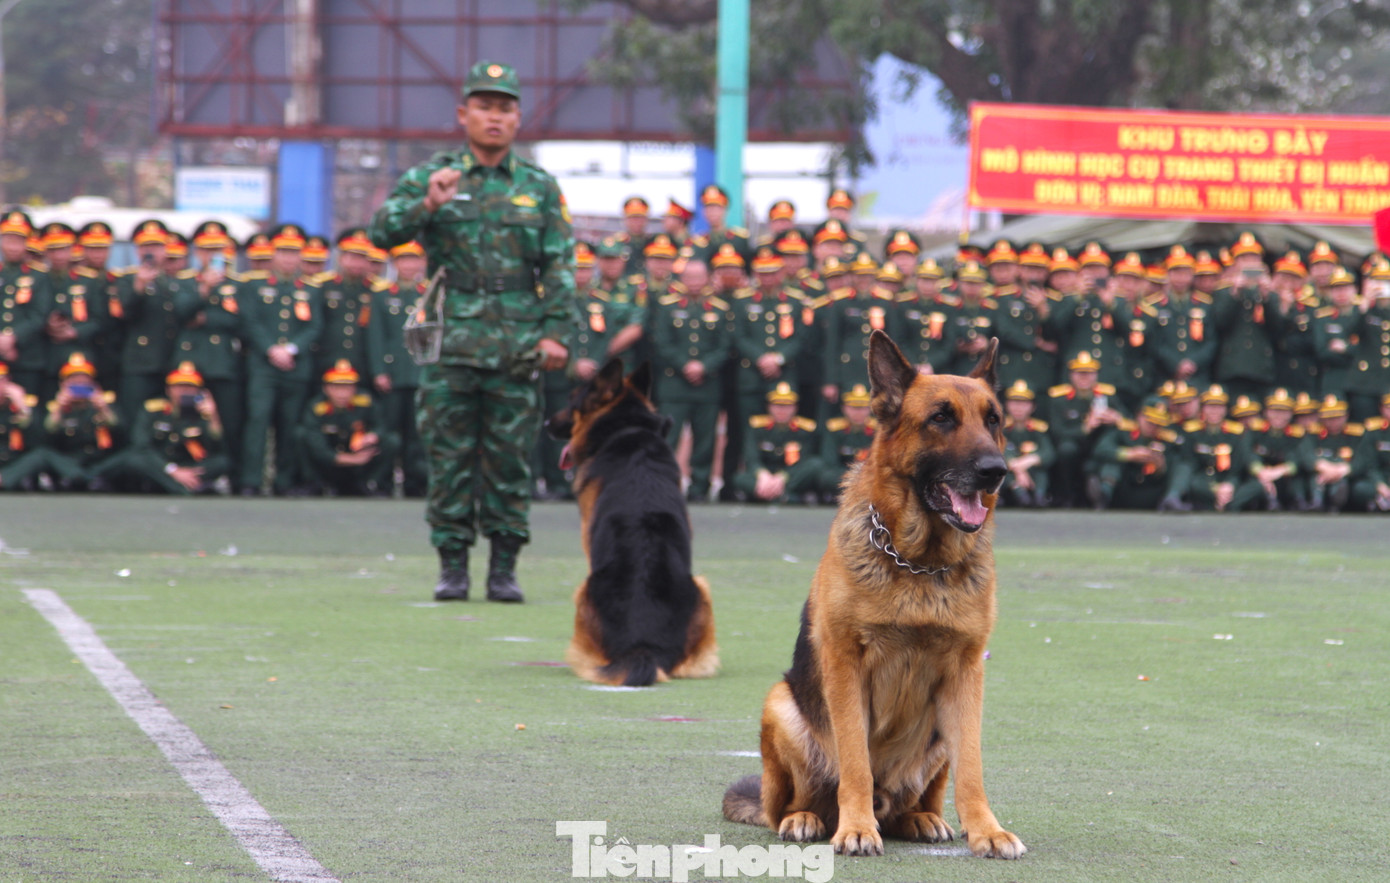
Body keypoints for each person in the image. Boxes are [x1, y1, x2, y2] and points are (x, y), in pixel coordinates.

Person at [368, 60, 576, 603]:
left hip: (518, 345)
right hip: (450, 342)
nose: (494, 117)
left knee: (510, 459)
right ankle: (452, 564)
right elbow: (382, 233)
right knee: (449, 456)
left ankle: (504, 568)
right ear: (464, 114)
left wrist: (556, 331)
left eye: (504, 108)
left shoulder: (538, 187)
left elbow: (559, 265)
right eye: (484, 106)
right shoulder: (434, 175)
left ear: (517, 119)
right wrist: (427, 203)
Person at [98, 361, 228, 494]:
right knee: (134, 460)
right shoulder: (153, 410)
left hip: (187, 464)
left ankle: (183, 484)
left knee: (221, 462)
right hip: (160, 464)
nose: (184, 391)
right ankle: (182, 489)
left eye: (190, 387)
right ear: (169, 390)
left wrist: (213, 417)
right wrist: (172, 470)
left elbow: (214, 448)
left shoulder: (202, 413)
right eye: (179, 386)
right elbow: (141, 445)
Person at [298, 360, 397, 496]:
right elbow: (317, 446)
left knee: (392, 441)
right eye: (336, 387)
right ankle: (314, 484)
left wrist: (374, 435)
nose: (342, 393)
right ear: (326, 388)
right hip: (330, 462)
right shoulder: (317, 408)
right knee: (300, 435)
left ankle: (372, 484)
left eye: (347, 387)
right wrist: (353, 459)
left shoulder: (366, 402)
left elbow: (381, 425)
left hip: (361, 462)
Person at [730, 382, 819, 503]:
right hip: (764, 477)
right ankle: (784, 496)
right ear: (769, 407)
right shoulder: (757, 427)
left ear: (795, 407)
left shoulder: (805, 429)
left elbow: (805, 460)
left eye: (787, 405)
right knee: (739, 478)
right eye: (777, 405)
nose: (781, 410)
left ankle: (769, 495)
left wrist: (782, 477)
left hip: (790, 476)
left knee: (814, 465)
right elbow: (751, 458)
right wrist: (763, 476)